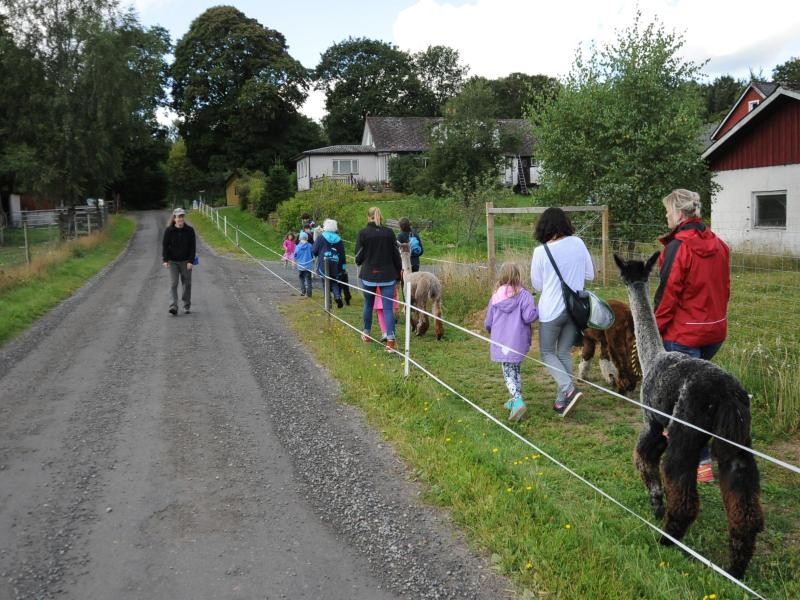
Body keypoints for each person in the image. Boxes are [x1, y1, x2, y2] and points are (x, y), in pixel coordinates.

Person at [655, 188, 731, 483]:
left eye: (667, 211)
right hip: (714, 331)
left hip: (684, 334)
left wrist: (655, 330)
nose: (666, 216)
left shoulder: (678, 247)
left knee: (686, 399)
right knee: (691, 393)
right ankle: (674, 430)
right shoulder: (720, 245)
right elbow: (725, 289)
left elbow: (667, 295)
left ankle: (699, 461)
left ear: (679, 213)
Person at [530, 207, 594, 417]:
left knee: (547, 352)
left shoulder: (541, 252)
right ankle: (562, 402)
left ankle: (568, 390)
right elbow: (590, 275)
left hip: (551, 310)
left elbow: (537, 285)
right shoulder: (578, 243)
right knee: (563, 352)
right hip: (575, 309)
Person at [484, 262, 539, 422]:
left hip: (501, 342)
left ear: (502, 276)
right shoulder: (525, 295)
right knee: (514, 369)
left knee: (508, 372)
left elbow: (489, 321)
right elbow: (529, 317)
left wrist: (489, 329)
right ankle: (516, 399)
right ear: (518, 276)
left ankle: (517, 399)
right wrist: (539, 309)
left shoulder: (495, 297)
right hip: (518, 341)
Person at [355, 206, 402, 352]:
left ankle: (366, 334)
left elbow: (358, 257)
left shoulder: (363, 233)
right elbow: (396, 255)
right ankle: (390, 342)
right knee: (388, 308)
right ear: (380, 217)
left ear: (368, 217)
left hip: (369, 275)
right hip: (388, 275)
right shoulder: (389, 233)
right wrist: (399, 271)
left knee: (368, 305)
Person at [162, 207, 196, 315]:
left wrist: (191, 261)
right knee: (174, 283)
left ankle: (186, 305)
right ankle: (173, 306)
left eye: (182, 216)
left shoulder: (190, 230)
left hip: (186, 261)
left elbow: (192, 247)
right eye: (178, 217)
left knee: (187, 283)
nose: (180, 219)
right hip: (173, 262)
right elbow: (165, 245)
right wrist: (165, 259)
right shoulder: (169, 231)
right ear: (174, 218)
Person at [312, 219, 346, 308]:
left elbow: (314, 251)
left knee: (325, 282)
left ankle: (328, 303)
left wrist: (318, 253)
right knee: (334, 281)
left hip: (324, 262)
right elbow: (342, 254)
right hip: (336, 263)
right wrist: (343, 267)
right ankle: (337, 296)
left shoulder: (321, 237)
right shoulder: (338, 239)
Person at [293, 231, 314, 297]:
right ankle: (309, 293)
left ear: (299, 239)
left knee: (301, 278)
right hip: (308, 266)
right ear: (307, 238)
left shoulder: (297, 247)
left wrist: (294, 261)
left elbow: (295, 255)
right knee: (308, 279)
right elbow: (312, 254)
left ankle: (303, 291)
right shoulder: (310, 246)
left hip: (300, 266)